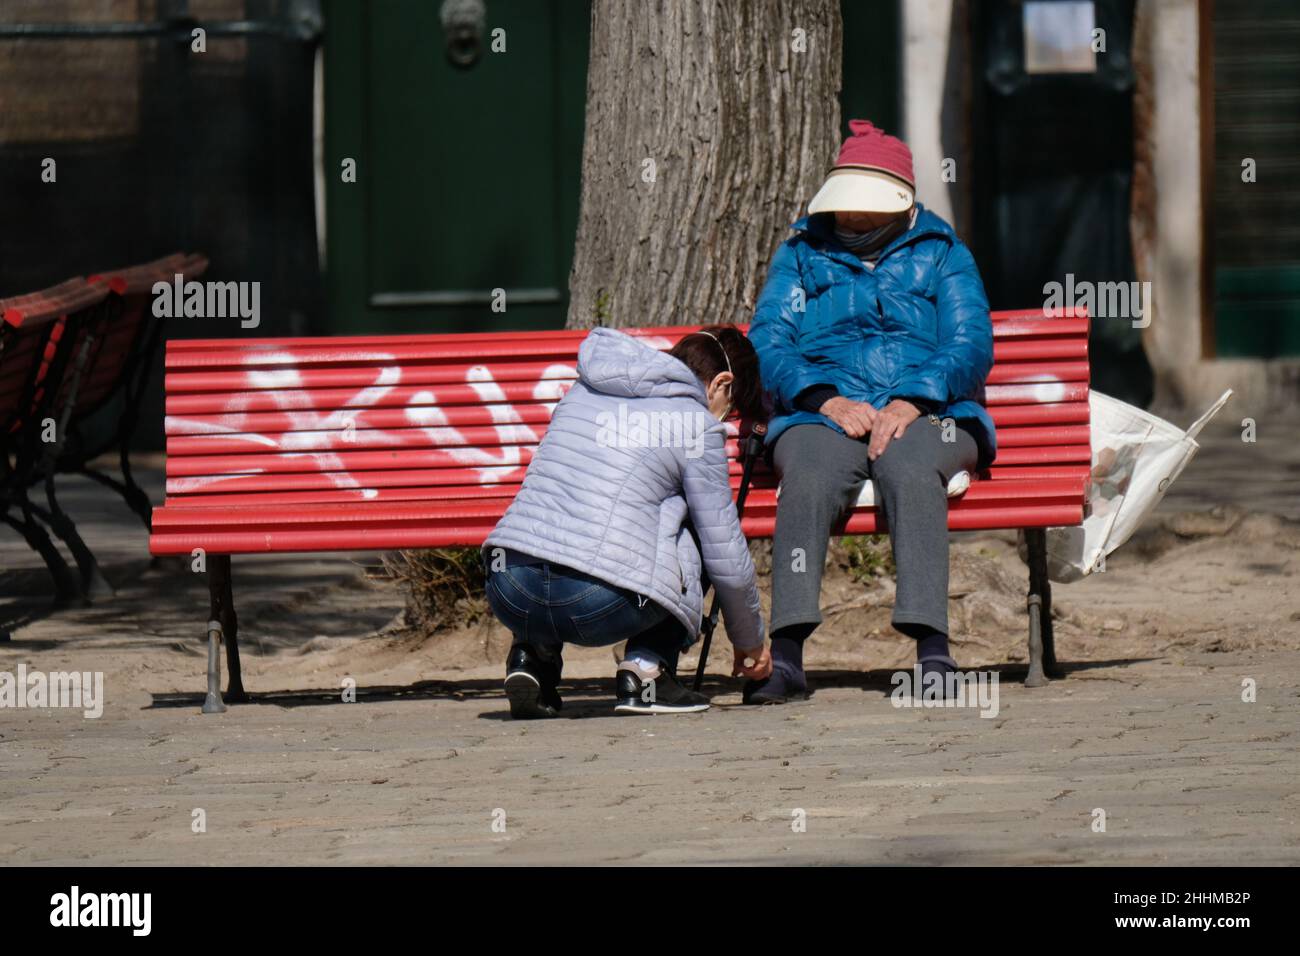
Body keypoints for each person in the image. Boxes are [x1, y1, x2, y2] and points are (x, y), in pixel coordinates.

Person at [745, 119, 996, 704]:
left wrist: (914, 399)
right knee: (805, 473)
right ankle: (785, 658)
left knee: (911, 467)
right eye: (844, 207)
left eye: (865, 209)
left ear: (899, 203)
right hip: (823, 414)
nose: (849, 219)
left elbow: (970, 343)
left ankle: (932, 652)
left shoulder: (943, 254)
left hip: (934, 411)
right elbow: (768, 341)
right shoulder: (801, 255)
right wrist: (822, 398)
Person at [482, 325, 772, 718]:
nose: (725, 417)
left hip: (509, 588)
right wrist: (751, 640)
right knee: (701, 527)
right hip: (599, 603)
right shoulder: (695, 423)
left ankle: (531, 659)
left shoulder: (583, 393)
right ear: (722, 383)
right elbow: (724, 551)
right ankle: (646, 670)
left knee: (554, 528)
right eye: (730, 406)